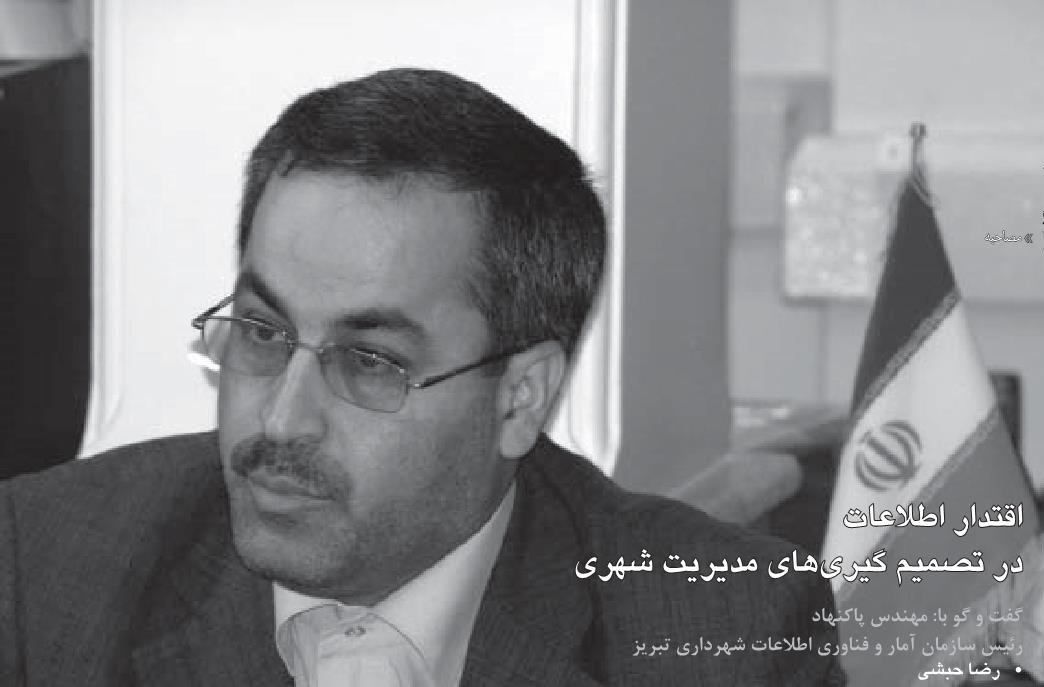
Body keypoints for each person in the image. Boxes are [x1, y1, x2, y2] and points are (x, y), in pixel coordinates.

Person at [0, 68, 844, 686]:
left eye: (370, 362)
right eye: (262, 332)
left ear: (520, 397)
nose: (281, 421)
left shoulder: (725, 637)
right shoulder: (40, 571)